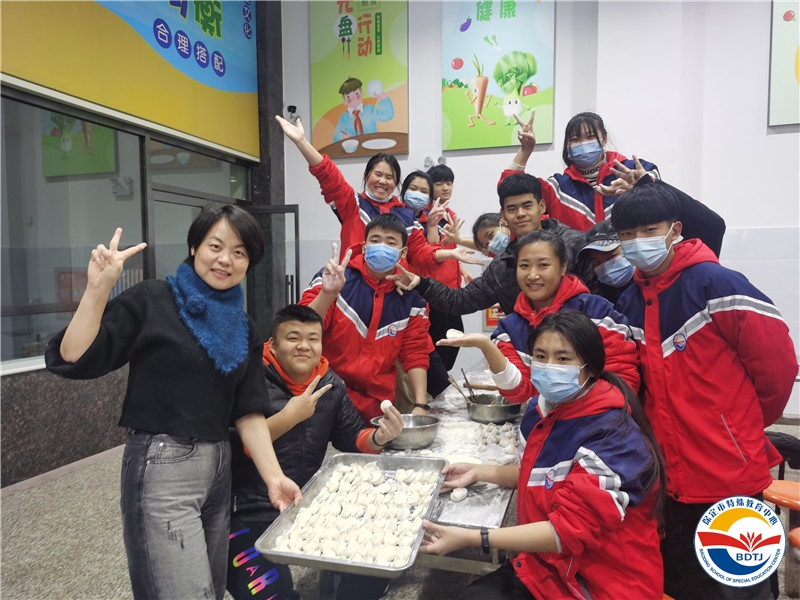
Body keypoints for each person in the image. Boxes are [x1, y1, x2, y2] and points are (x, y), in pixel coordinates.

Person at [44, 205, 301, 600]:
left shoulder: (243, 326)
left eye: (239, 252)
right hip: (163, 466)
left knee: (209, 589)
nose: (225, 259)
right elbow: (75, 355)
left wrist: (273, 477)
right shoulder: (155, 299)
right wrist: (97, 291)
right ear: (194, 246)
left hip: (219, 469)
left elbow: (248, 412)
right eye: (215, 246)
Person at [610, 181, 799, 600]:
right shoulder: (629, 302)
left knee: (741, 584)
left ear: (675, 230)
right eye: (627, 235)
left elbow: (778, 366)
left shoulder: (718, 285)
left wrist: (740, 426)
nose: (638, 242)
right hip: (667, 478)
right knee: (683, 583)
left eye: (649, 231)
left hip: (728, 473)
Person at [420, 310, 665, 600]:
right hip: (549, 565)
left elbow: (568, 531)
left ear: (590, 367)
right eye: (540, 356)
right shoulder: (545, 410)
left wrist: (476, 538)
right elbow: (543, 473)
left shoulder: (614, 436)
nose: (549, 367)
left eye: (563, 359)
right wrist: (480, 471)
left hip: (602, 581)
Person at [227, 304, 403, 600]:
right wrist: (289, 417)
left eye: (313, 338)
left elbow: (351, 436)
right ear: (273, 345)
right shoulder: (248, 378)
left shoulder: (330, 384)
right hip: (246, 510)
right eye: (293, 338)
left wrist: (378, 437)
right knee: (267, 594)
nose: (304, 346)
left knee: (373, 564)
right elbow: (231, 445)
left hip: (306, 502)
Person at [437, 230, 639, 412]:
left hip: (601, 425)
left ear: (563, 267)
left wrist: (574, 420)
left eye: (543, 265)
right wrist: (486, 346)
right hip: (544, 425)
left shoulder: (599, 314)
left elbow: (622, 382)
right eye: (524, 266)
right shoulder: (509, 329)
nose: (532, 275)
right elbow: (518, 393)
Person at [275, 115, 478, 272]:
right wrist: (302, 142)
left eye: (389, 177)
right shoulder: (352, 204)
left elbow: (419, 254)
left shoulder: (406, 215)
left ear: (396, 183)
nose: (382, 181)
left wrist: (450, 253)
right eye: (378, 174)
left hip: (394, 290)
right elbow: (329, 175)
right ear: (367, 176)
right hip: (353, 286)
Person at [394, 171, 587, 319]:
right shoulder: (501, 267)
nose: (520, 214)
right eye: (512, 209)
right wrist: (421, 283)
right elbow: (460, 301)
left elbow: (598, 297)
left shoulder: (575, 244)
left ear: (542, 207)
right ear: (503, 215)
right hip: (527, 349)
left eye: (527, 206)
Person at [300, 213, 434, 421]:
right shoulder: (335, 277)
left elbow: (415, 351)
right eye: (375, 240)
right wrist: (328, 293)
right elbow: (303, 327)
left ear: (403, 252)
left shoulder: (411, 296)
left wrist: (420, 404)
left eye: (391, 243)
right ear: (364, 247)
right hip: (324, 397)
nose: (382, 247)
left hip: (377, 407)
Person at [504, 111, 659, 232]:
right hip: (577, 263)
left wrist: (638, 187)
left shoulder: (635, 169)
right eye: (575, 139)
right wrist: (525, 150)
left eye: (590, 137)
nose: (583, 143)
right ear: (567, 145)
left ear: (604, 139)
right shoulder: (557, 188)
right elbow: (509, 190)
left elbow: (663, 200)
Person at [332, 76, 394, 142]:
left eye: (356, 94)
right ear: (345, 102)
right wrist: (342, 137)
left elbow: (387, 115)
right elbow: (336, 137)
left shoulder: (370, 110)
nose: (353, 98)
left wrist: (382, 97)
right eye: (348, 97)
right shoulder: (343, 118)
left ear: (362, 94)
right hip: (354, 146)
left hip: (372, 143)